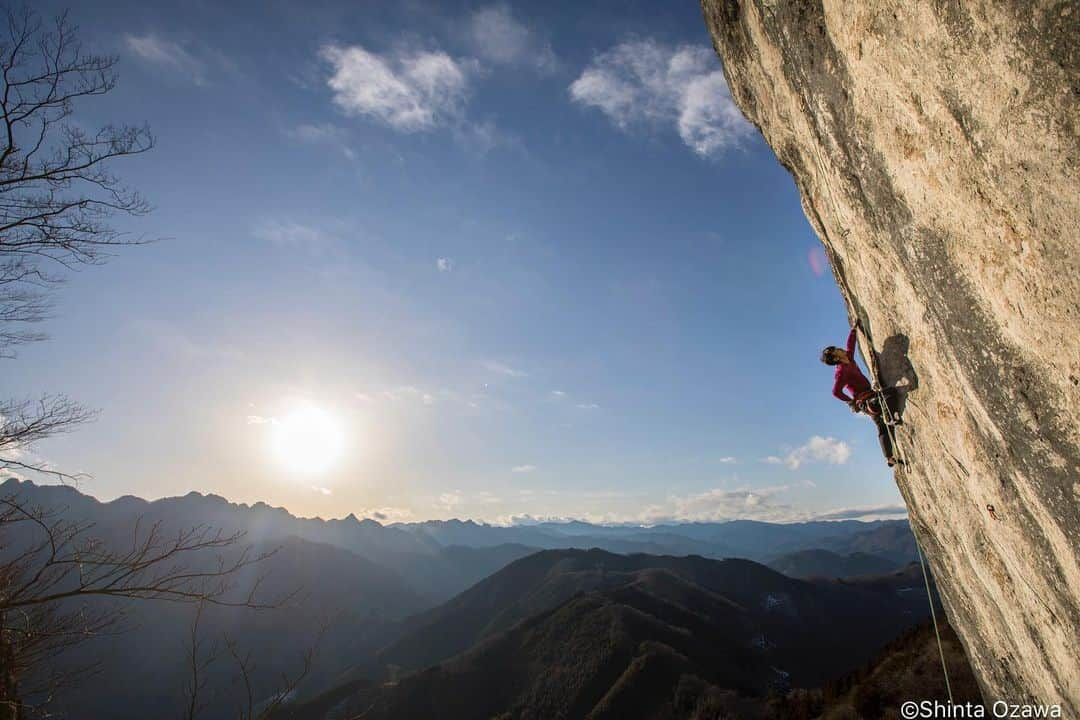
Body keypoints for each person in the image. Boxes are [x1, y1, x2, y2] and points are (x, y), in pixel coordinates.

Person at [821, 320, 903, 466]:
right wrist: (851, 401)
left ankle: (889, 458)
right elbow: (835, 392)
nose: (838, 348)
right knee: (890, 393)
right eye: (835, 350)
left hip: (870, 397)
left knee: (882, 427)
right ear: (835, 358)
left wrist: (854, 329)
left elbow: (850, 344)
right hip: (866, 402)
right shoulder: (841, 372)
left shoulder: (849, 358)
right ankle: (891, 416)